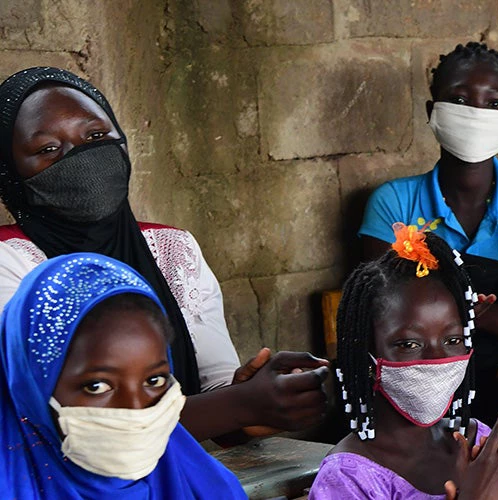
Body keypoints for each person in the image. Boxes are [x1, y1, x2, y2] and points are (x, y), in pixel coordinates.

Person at [0, 67, 329, 442]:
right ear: (10, 173)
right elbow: (75, 431)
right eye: (47, 149)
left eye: (95, 135)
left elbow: (213, 389)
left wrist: (261, 395)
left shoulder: (173, 250)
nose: (82, 156)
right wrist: (241, 404)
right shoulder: (12, 264)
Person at [357, 43, 498, 422]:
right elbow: (379, 317)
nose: (477, 113)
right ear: (433, 113)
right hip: (424, 387)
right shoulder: (394, 203)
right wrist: (475, 315)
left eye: (493, 103)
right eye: (459, 99)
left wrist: (469, 317)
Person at [312, 226, 498, 499]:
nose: (438, 359)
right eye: (409, 345)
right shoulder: (348, 478)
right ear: (367, 353)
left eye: (453, 340)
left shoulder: (478, 442)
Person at [0, 253, 245, 499]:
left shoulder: (205, 487)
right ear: (30, 386)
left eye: (154, 380)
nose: (135, 409)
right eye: (96, 386)